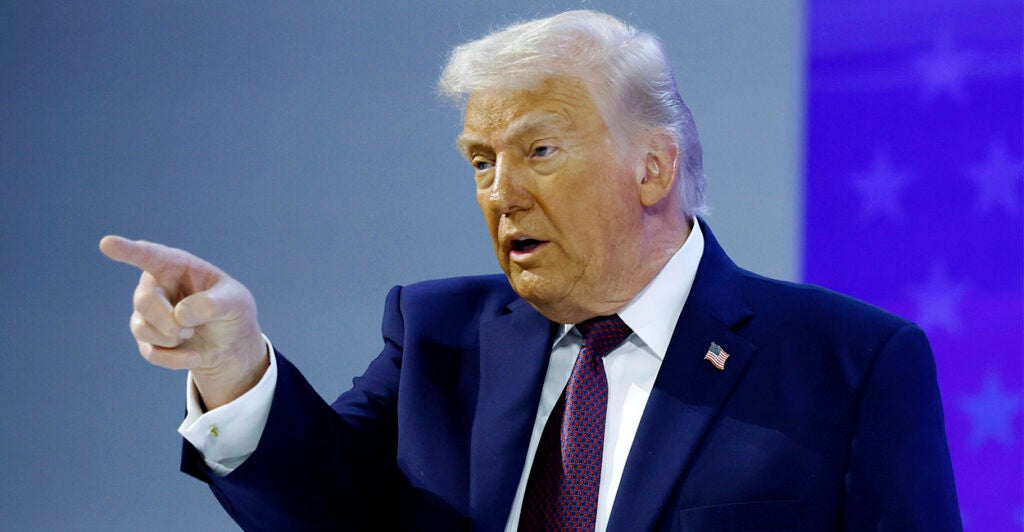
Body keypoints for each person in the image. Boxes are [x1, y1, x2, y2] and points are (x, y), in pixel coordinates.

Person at [100, 10, 961, 531]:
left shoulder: (848, 364)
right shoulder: (438, 340)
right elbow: (323, 509)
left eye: (538, 150)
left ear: (653, 167)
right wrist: (230, 364)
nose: (501, 192)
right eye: (480, 162)